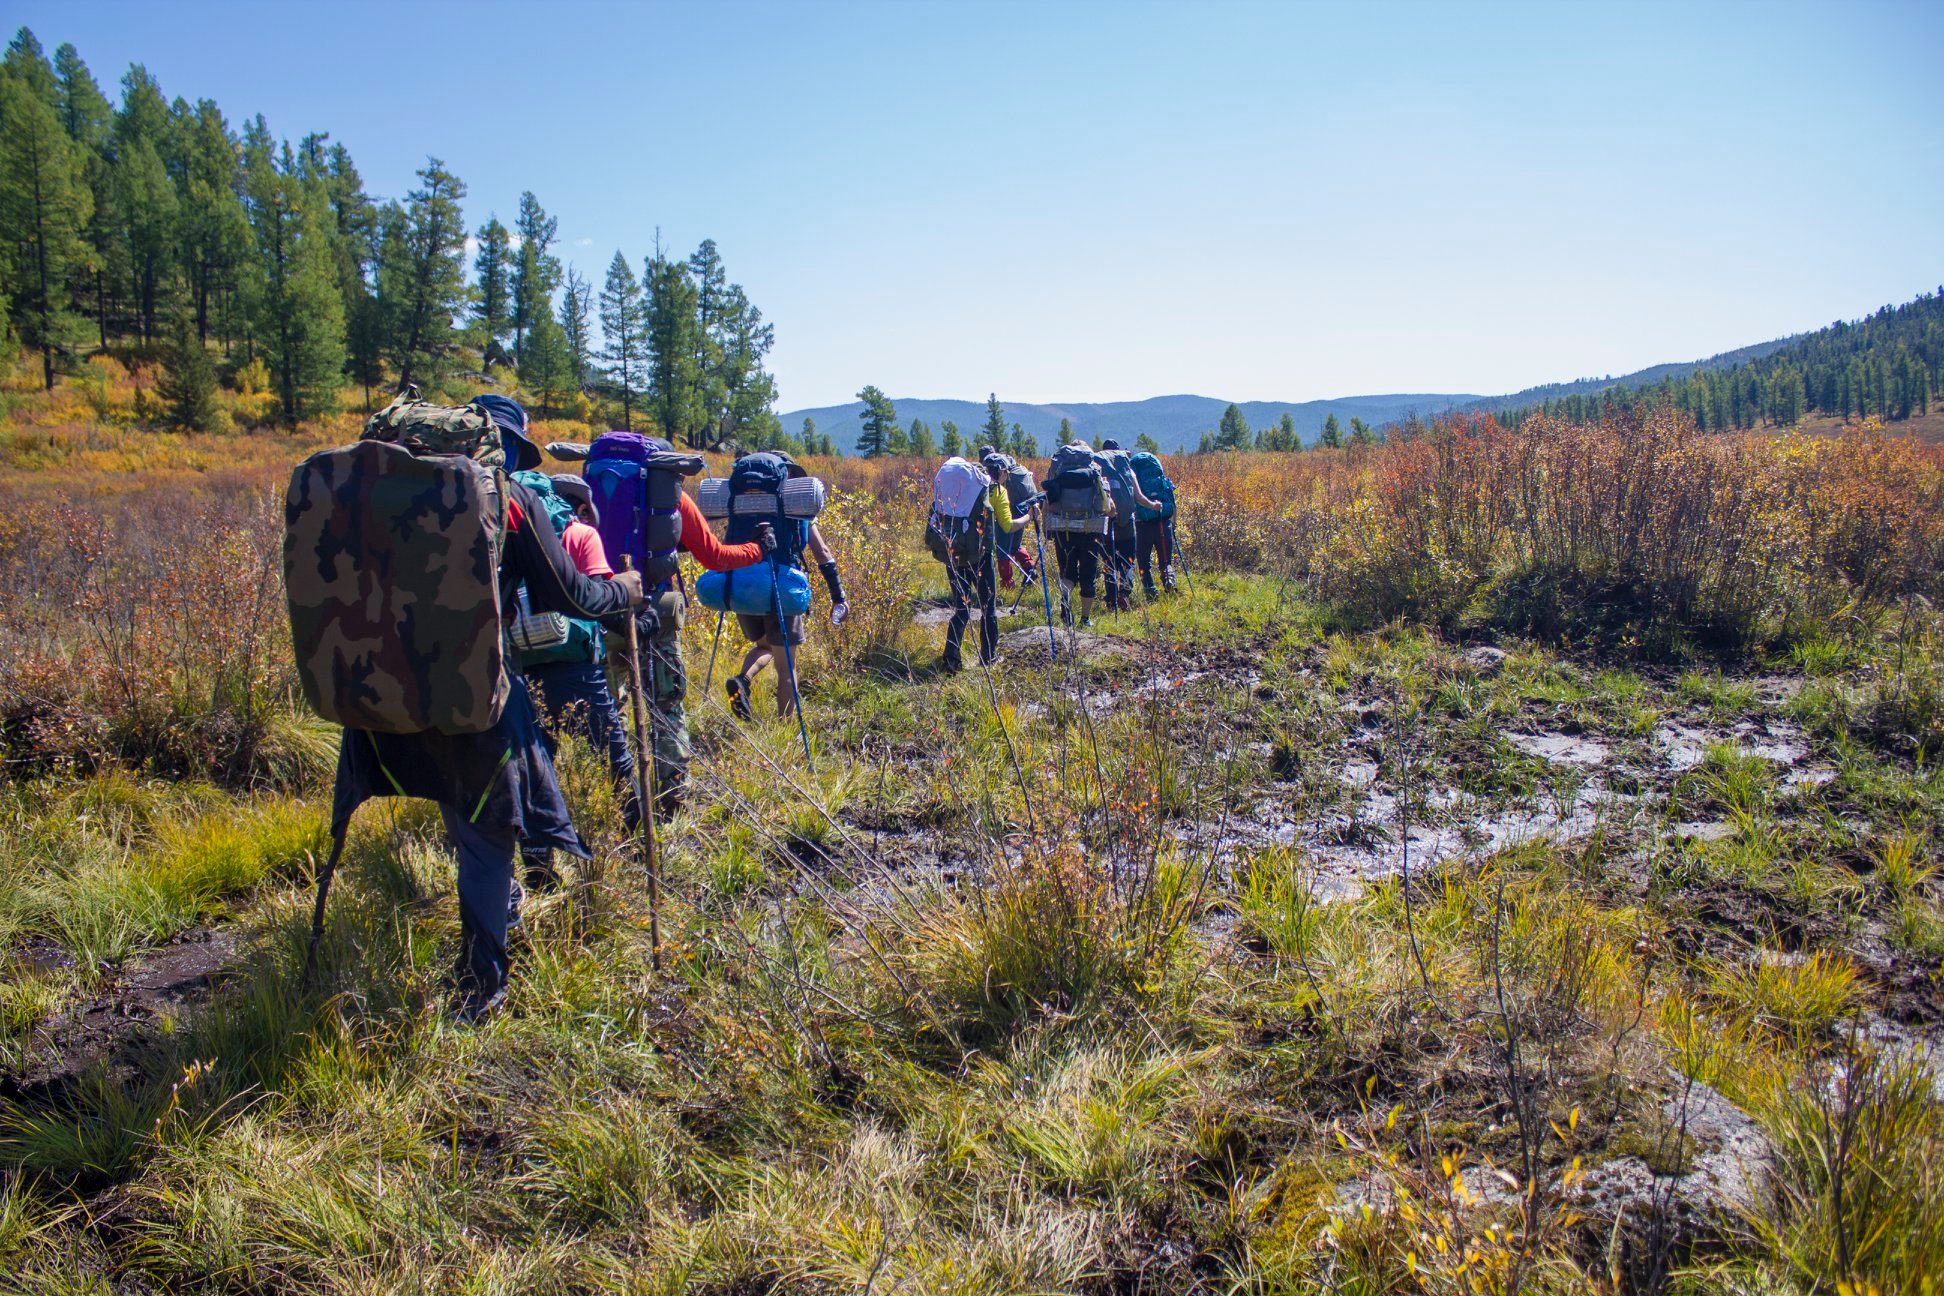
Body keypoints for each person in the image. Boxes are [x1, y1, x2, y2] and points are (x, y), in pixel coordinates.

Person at [330, 393, 642, 1021]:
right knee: (485, 825)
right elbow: (571, 595)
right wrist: (626, 592)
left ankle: (498, 921)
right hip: (471, 693)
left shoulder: (372, 495)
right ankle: (482, 989)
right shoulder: (507, 499)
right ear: (499, 447)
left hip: (374, 693)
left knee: (453, 797)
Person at [511, 470, 638, 895]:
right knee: (614, 757)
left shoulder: (506, 532)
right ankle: (641, 849)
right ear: (578, 505)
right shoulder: (580, 534)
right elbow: (598, 599)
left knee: (534, 770)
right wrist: (639, 615)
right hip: (576, 665)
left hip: (519, 668)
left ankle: (539, 874)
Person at [723, 454, 848, 722]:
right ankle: (785, 729)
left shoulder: (744, 504)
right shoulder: (797, 506)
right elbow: (822, 552)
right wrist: (838, 595)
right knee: (787, 667)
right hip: (780, 589)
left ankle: (742, 680)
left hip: (742, 588)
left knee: (766, 645)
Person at [939, 457, 1024, 673]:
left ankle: (951, 660)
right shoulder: (995, 491)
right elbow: (1007, 525)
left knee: (962, 607)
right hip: (981, 556)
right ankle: (988, 658)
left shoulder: (965, 486)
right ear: (1002, 472)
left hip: (955, 551)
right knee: (988, 607)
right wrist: (1028, 517)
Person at [1042, 440, 1115, 628]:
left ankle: (1066, 602)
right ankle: (1085, 619)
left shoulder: (1058, 469)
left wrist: (1046, 529)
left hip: (1063, 529)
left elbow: (1047, 504)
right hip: (1091, 530)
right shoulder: (1095, 469)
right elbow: (1108, 507)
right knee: (1088, 575)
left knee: (1067, 572)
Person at [1094, 439, 1164, 612]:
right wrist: (1154, 505)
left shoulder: (1097, 469)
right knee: (1129, 561)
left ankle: (1111, 601)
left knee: (1109, 562)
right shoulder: (1127, 470)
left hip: (1106, 523)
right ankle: (1124, 593)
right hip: (1128, 523)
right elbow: (1139, 497)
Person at [1128, 450, 1178, 599]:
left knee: (1143, 561)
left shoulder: (1133, 478)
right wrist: (1173, 524)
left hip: (1142, 525)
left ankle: (1150, 590)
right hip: (1163, 523)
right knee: (1165, 560)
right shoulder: (1162, 480)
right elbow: (1173, 503)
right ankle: (1168, 580)